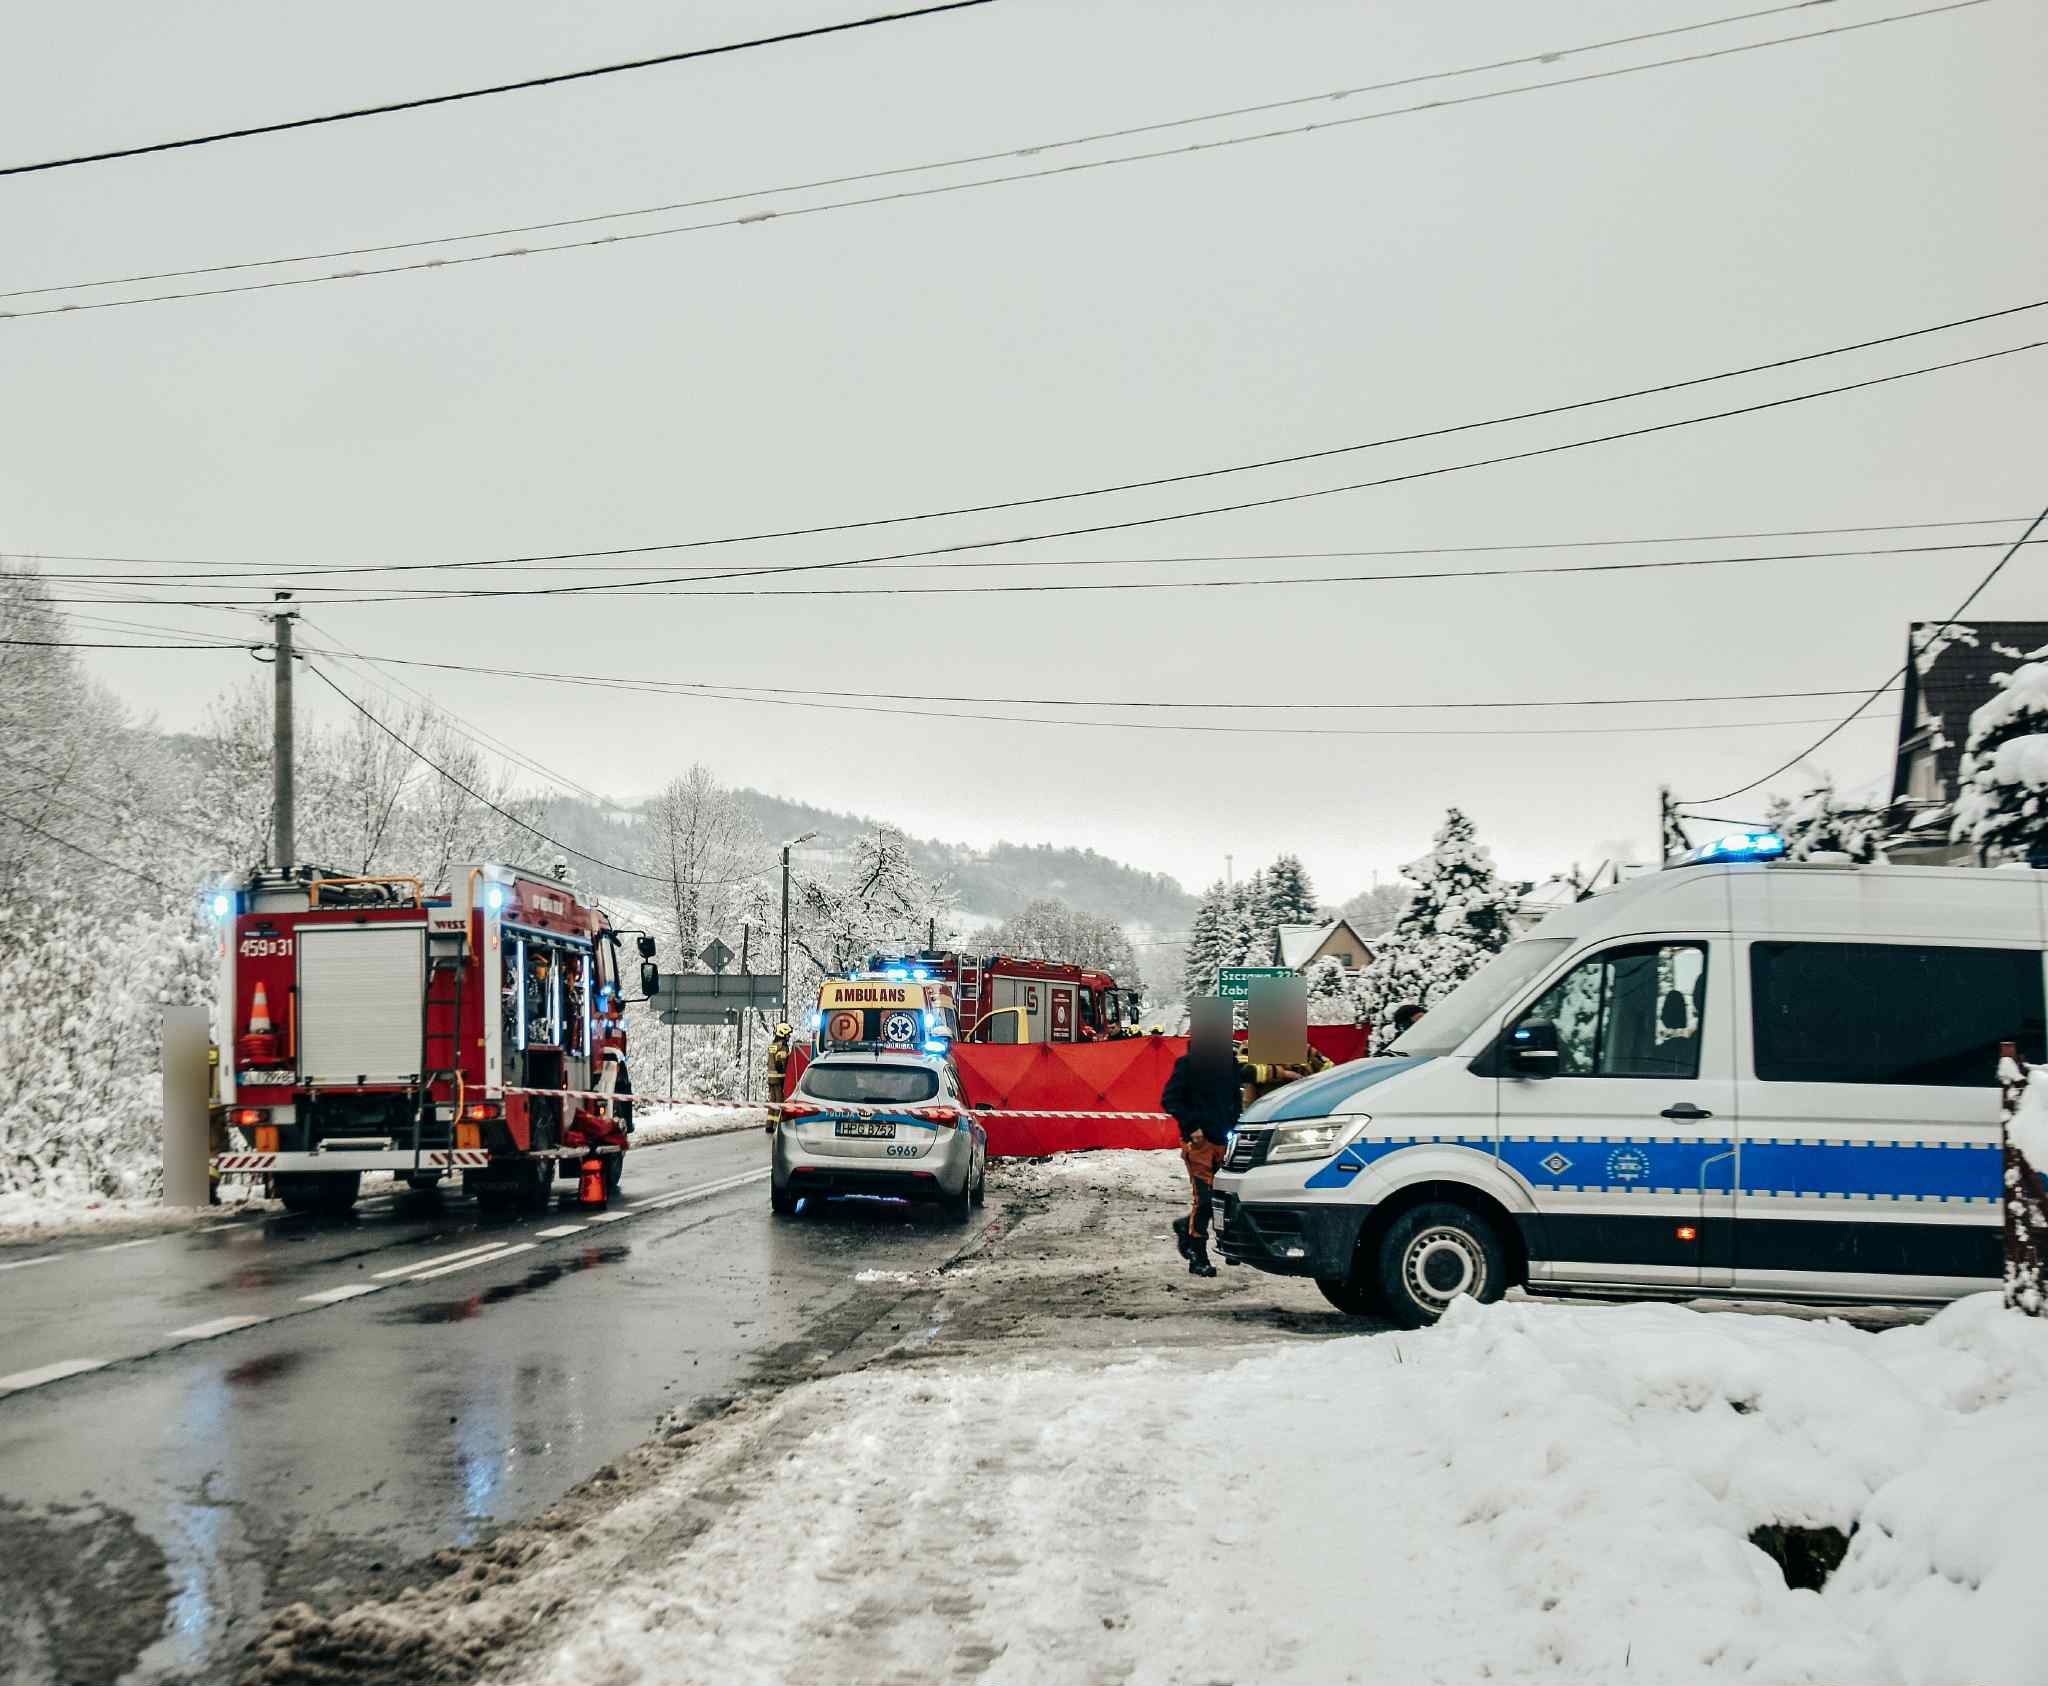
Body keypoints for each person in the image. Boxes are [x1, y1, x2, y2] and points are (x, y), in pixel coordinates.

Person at [1160, 1036, 1239, 1278]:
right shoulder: (1188, 1064)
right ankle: (1198, 1254)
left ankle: (1227, 1245)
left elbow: (1236, 1097)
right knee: (1204, 1200)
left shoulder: (1231, 1063)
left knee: (1227, 1199)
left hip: (1226, 1142)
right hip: (1200, 1144)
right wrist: (1192, 1127)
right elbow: (1170, 1099)